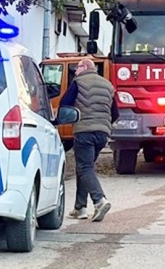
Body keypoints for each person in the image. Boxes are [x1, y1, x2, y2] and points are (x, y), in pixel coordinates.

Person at [60, 58, 118, 222]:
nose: (75, 71)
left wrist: (67, 119)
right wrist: (103, 124)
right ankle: (80, 208)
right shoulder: (108, 85)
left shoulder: (79, 82)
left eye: (77, 68)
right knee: (85, 168)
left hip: (84, 131)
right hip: (102, 134)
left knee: (84, 167)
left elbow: (65, 103)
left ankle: (100, 201)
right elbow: (116, 113)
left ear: (84, 67)